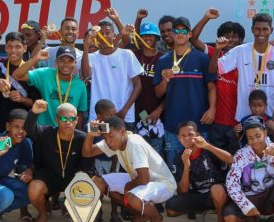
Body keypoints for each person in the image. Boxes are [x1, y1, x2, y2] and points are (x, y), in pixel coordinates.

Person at [82, 116, 176, 222]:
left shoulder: (134, 143)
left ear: (122, 131)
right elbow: (87, 153)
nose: (108, 142)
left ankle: (156, 219)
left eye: (111, 136)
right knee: (99, 182)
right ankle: (142, 215)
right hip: (139, 179)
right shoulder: (116, 141)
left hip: (163, 184)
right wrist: (90, 135)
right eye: (105, 138)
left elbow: (144, 179)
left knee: (132, 196)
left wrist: (127, 188)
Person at [153, 16, 216, 169]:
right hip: (173, 125)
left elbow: (212, 87)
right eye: (176, 30)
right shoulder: (163, 60)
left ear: (190, 34)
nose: (180, 34)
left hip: (199, 124)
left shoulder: (202, 58)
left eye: (184, 30)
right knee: (175, 170)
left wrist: (212, 108)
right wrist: (164, 81)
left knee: (202, 170)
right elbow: (158, 93)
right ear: (172, 34)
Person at [24, 100, 91, 222]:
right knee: (34, 189)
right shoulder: (46, 132)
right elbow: (30, 130)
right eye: (64, 118)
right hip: (48, 177)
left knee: (85, 182)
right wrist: (34, 113)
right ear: (56, 119)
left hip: (71, 178)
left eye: (72, 118)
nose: (68, 122)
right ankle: (43, 214)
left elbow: (87, 163)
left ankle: (70, 205)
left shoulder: (82, 137)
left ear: (77, 120)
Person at [215, 14, 274, 128]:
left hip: (269, 118)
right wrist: (217, 50)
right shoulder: (240, 51)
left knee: (271, 146)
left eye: (265, 29)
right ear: (252, 30)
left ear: (271, 30)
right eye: (257, 29)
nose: (261, 32)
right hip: (244, 117)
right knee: (244, 146)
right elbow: (213, 69)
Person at [192, 9, 245, 156]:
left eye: (235, 37)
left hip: (238, 123)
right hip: (216, 122)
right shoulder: (214, 53)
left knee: (236, 160)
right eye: (226, 37)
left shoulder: (246, 59)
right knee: (217, 161)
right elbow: (193, 38)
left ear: (241, 40)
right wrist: (206, 17)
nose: (230, 40)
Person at [164, 121, 233, 222]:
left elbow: (231, 159)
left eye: (190, 134)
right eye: (183, 136)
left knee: (216, 189)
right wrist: (186, 166)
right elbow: (183, 191)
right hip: (197, 195)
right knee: (171, 208)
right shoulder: (179, 157)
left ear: (197, 134)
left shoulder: (208, 149)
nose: (187, 138)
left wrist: (207, 146)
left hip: (217, 193)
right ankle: (200, 211)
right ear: (178, 138)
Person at [82, 18, 143, 127]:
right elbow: (86, 75)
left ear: (114, 35)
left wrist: (124, 111)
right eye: (101, 34)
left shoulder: (127, 54)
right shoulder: (92, 57)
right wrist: (86, 46)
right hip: (97, 118)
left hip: (124, 116)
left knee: (122, 143)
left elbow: (138, 85)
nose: (104, 36)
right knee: (96, 143)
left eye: (107, 33)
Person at [13, 46, 88, 128]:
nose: (66, 65)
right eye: (62, 61)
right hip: (44, 130)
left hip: (67, 131)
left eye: (70, 61)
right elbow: (17, 75)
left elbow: (79, 113)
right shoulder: (45, 74)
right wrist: (35, 59)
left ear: (75, 62)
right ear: (56, 61)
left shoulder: (80, 85)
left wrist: (78, 135)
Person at [0, 32, 40, 139]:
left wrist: (22, 99)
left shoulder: (31, 72)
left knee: (18, 156)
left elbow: (36, 103)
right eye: (10, 47)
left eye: (17, 47)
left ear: (25, 48)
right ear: (5, 48)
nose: (13, 50)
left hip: (21, 132)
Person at [129, 20, 165, 155]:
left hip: (157, 115)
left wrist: (159, 110)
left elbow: (171, 89)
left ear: (157, 38)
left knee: (156, 156)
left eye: (151, 35)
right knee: (137, 155)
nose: (148, 38)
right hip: (135, 114)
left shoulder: (164, 59)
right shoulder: (132, 55)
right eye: (144, 35)